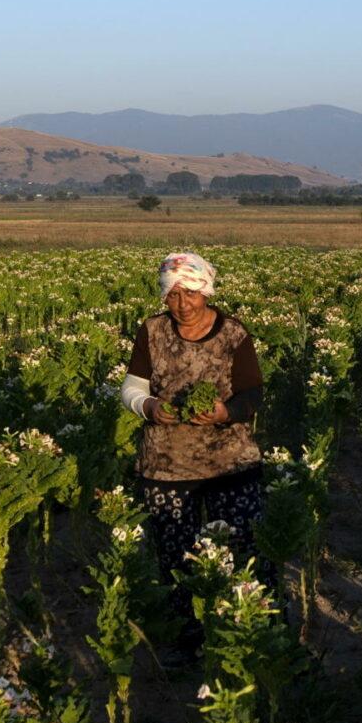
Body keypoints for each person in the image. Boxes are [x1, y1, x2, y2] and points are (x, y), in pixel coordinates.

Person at [119, 251, 265, 597]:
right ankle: (186, 631)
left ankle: (240, 626)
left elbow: (253, 392)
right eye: (173, 294)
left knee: (240, 553)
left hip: (230, 463)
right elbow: (132, 387)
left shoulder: (233, 332)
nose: (183, 304)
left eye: (191, 293)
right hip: (166, 465)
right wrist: (149, 406)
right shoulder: (151, 330)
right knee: (176, 559)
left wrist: (225, 413)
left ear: (207, 291)